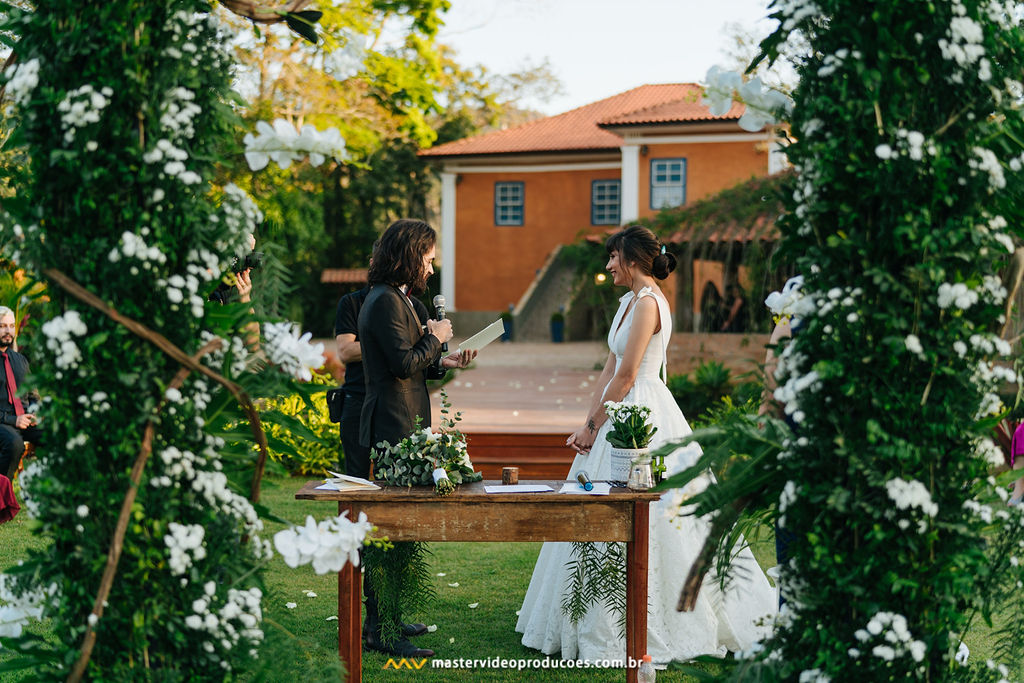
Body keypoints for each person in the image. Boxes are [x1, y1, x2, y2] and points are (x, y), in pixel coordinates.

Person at [515, 225, 776, 664]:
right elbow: (608, 370)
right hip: (617, 411)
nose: (608, 265)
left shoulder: (650, 303)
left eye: (613, 257)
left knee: (654, 511)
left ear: (632, 260)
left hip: (643, 419)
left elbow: (629, 374)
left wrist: (598, 426)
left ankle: (654, 617)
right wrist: (587, 423)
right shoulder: (627, 303)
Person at [358, 219, 476, 658]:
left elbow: (419, 364)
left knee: (400, 529)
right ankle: (381, 630)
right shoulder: (385, 301)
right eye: (427, 258)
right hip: (391, 426)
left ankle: (387, 616)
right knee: (386, 530)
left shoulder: (400, 299)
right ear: (408, 255)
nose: (431, 267)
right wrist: (434, 336)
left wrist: (446, 360)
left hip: (405, 423)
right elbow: (403, 363)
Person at [0, 306, 41, 480]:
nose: (8, 331)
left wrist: (35, 411)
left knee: (54, 435)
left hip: (25, 420)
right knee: (15, 444)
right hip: (3, 422)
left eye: (11, 326)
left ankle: (55, 494)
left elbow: (33, 396)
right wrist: (13, 420)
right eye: (2, 326)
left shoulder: (20, 360)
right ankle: (3, 498)